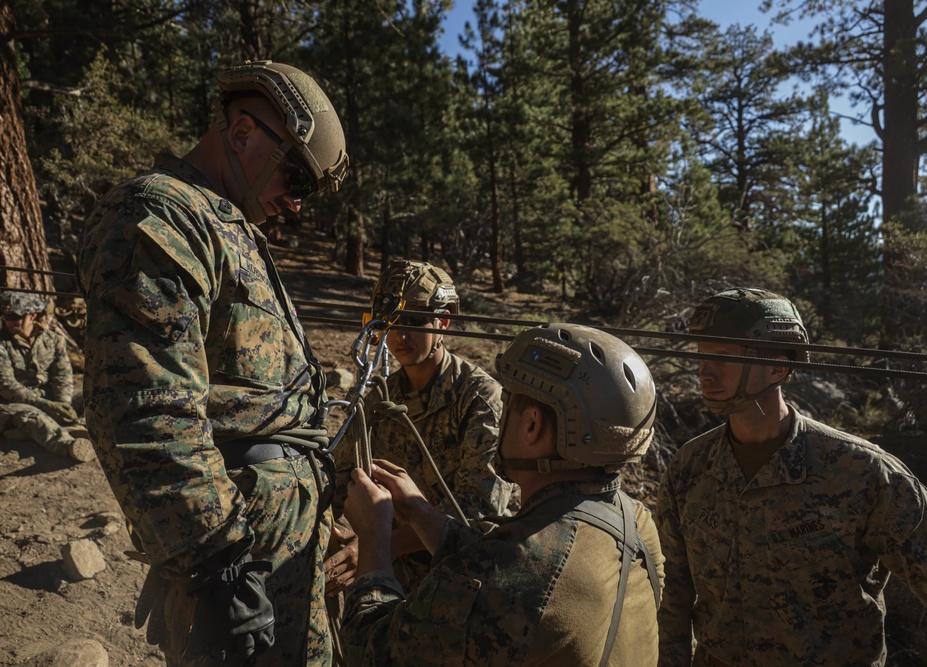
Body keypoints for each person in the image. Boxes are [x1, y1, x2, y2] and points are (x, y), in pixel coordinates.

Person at [76, 60, 349, 667]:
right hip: (239, 556)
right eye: (297, 179)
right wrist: (216, 562)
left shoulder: (229, 224)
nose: (298, 205)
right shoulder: (161, 214)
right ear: (245, 132)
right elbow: (144, 406)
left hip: (277, 542)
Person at [656, 287, 927, 666]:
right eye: (701, 355)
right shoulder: (689, 469)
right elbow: (672, 594)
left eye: (722, 357)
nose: (705, 370)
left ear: (777, 366)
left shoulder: (861, 472)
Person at [341, 323, 665, 666]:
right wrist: (422, 513)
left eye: (508, 404)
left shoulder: (512, 576)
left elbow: (371, 648)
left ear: (531, 426)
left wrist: (375, 539)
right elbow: (501, 558)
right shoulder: (638, 523)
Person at [325, 259, 514, 597]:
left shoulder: (479, 398)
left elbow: (478, 517)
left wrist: (373, 546)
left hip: (459, 583)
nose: (400, 335)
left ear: (443, 322)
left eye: (413, 321)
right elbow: (339, 480)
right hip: (391, 580)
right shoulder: (381, 397)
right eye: (390, 322)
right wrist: (332, 533)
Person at [0, 291, 93, 463]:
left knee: (91, 395)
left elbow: (62, 375)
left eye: (16, 316)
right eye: (6, 316)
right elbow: (7, 386)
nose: (10, 321)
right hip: (12, 403)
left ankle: (78, 426)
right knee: (32, 416)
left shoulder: (53, 340)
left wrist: (63, 403)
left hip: (48, 397)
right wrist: (45, 405)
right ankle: (69, 445)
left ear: (32, 315)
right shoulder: (2, 343)